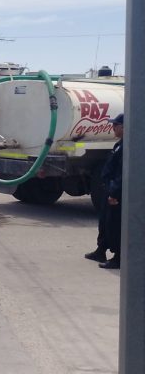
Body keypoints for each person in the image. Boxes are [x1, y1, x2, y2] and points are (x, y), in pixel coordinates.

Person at [86, 113, 124, 269]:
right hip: (109, 189)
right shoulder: (119, 144)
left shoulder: (127, 148)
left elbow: (122, 174)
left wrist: (115, 193)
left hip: (116, 192)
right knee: (105, 222)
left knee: (115, 225)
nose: (112, 128)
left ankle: (118, 257)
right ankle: (101, 250)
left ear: (123, 127)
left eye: (115, 125)